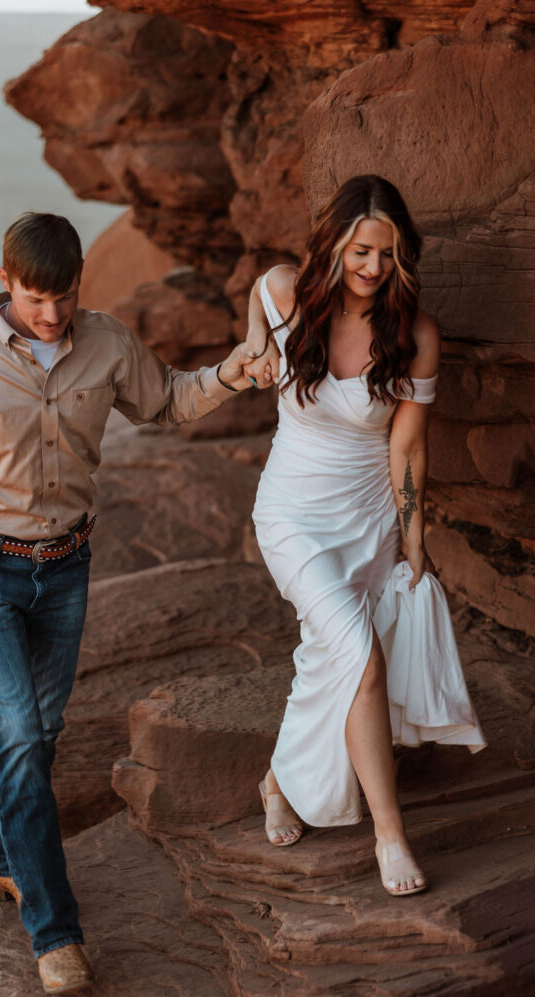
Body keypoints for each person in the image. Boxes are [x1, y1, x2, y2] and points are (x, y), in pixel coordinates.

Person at [0, 212, 271, 993]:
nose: (50, 315)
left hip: (64, 568)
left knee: (41, 731)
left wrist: (234, 372)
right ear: (4, 282)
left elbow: (168, 403)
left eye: (63, 297)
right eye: (33, 298)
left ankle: (0, 860)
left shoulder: (108, 342)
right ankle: (54, 931)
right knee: (18, 728)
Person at [242, 175, 485, 896]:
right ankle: (389, 835)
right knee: (359, 656)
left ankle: (276, 781)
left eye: (386, 254)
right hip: (289, 515)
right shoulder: (289, 295)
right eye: (359, 250)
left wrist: (413, 541)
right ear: (334, 244)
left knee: (329, 659)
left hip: (368, 518)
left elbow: (406, 448)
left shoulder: (413, 336)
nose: (373, 268)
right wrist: (257, 340)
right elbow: (263, 284)